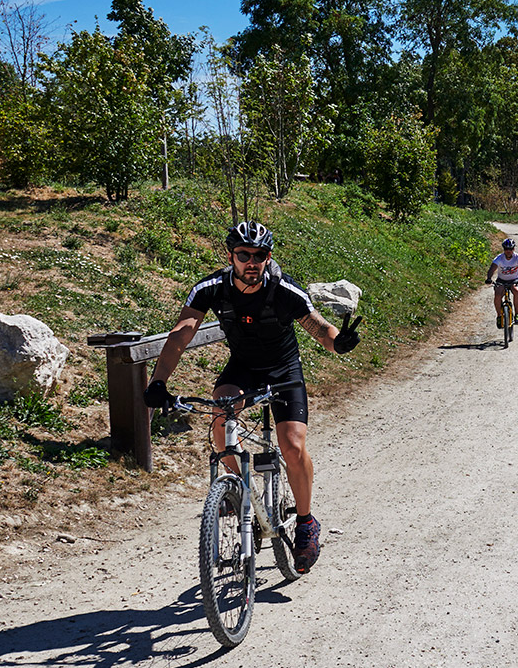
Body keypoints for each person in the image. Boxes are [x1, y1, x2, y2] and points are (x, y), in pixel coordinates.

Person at [142, 221, 361, 574]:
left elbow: (319, 328)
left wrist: (339, 342)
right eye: (244, 255)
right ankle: (237, 492)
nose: (252, 261)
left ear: (268, 257)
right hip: (243, 368)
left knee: (291, 445)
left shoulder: (283, 288)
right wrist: (159, 382)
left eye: (259, 255)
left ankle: (305, 523)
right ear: (230, 256)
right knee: (220, 412)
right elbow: (181, 334)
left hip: (283, 369)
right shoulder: (211, 289)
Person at [485, 237, 518, 326]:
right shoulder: (499, 258)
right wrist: (489, 278)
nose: (508, 251)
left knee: (516, 291)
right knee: (498, 295)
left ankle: (517, 314)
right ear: (503, 249)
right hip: (502, 280)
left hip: (515, 280)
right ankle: (499, 316)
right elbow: (492, 269)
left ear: (513, 249)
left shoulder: (517, 257)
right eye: (506, 249)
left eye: (510, 249)